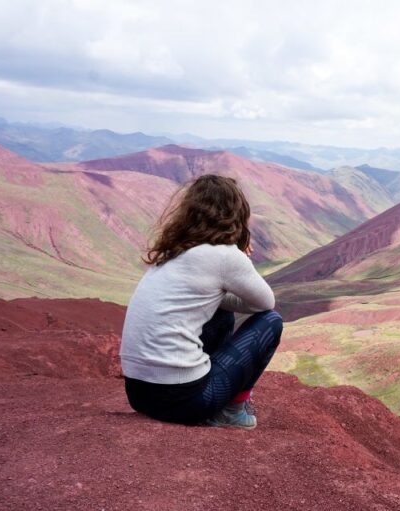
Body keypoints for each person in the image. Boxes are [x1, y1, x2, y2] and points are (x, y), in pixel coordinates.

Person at [120, 174, 283, 429]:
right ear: (237, 213)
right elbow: (265, 304)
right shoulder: (225, 256)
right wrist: (239, 255)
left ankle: (211, 389)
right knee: (271, 322)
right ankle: (231, 411)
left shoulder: (175, 250)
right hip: (185, 401)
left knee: (221, 311)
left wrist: (218, 296)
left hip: (139, 396)